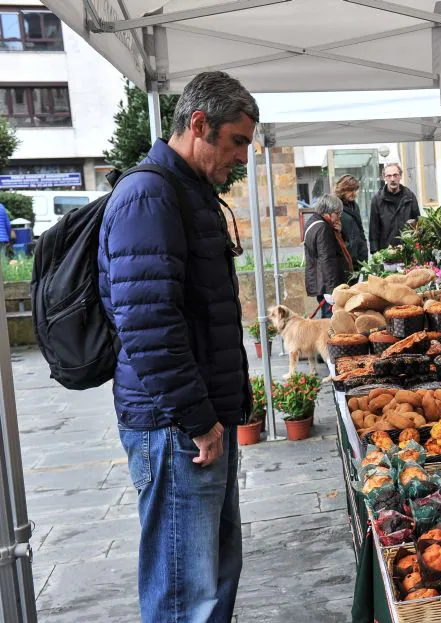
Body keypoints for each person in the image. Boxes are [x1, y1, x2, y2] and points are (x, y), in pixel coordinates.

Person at [97, 71, 258, 622]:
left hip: (194, 419)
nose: (241, 157)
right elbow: (148, 324)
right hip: (175, 427)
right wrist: (197, 420)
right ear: (198, 125)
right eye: (237, 141)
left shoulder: (186, 192)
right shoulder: (149, 195)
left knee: (212, 577)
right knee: (184, 594)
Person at [305, 193, 353, 318]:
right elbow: (327, 259)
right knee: (331, 322)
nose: (339, 217)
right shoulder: (323, 228)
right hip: (328, 286)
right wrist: (331, 291)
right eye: (337, 213)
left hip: (322, 283)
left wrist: (338, 232)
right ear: (328, 212)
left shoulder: (313, 221)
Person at [369, 162, 419, 253]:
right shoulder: (377, 199)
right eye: (389, 176)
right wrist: (375, 251)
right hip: (386, 250)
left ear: (400, 176)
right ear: (384, 178)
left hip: (407, 250)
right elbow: (374, 228)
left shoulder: (410, 197)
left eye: (395, 175)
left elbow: (418, 223)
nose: (392, 179)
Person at [334, 174, 368, 269]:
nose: (353, 193)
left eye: (355, 190)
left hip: (359, 255)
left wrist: (364, 249)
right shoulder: (335, 207)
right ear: (342, 190)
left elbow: (360, 230)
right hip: (345, 258)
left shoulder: (354, 206)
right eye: (350, 190)